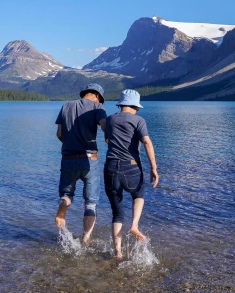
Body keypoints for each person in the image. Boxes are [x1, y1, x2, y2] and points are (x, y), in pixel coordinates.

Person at [103, 89, 158, 261]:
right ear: (135, 105)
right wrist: (154, 168)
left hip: (111, 167)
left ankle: (118, 253)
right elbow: (147, 142)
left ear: (121, 103)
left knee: (117, 213)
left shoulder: (110, 119)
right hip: (132, 167)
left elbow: (107, 140)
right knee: (138, 195)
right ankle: (134, 225)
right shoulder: (138, 120)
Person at [54, 83, 107, 245]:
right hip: (89, 159)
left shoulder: (66, 106)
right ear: (97, 96)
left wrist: (71, 143)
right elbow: (106, 127)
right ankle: (85, 239)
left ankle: (63, 206)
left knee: (66, 194)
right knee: (91, 202)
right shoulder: (97, 108)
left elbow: (60, 134)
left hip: (68, 158)